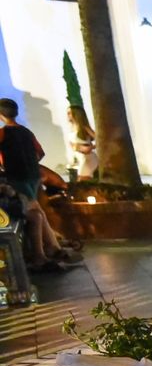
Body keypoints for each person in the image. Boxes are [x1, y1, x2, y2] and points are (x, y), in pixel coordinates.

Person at [0, 98, 77, 273]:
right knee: (37, 211)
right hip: (33, 177)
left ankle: (43, 254)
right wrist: (30, 164)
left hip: (18, 178)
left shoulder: (3, 134)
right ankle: (52, 248)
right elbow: (40, 153)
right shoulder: (27, 132)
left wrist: (8, 165)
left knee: (34, 212)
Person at [66, 105, 97, 180]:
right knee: (83, 181)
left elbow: (100, 140)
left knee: (82, 180)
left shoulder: (84, 128)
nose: (67, 115)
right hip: (80, 159)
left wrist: (90, 147)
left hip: (88, 158)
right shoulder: (72, 128)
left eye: (69, 113)